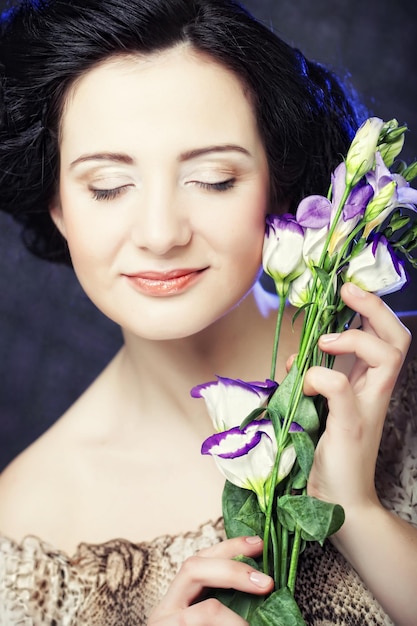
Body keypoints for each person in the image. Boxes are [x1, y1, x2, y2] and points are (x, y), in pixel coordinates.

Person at [0, 0, 416, 624]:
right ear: (57, 204)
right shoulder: (27, 540)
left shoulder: (387, 379)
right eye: (108, 187)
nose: (162, 233)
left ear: (275, 185)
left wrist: (355, 510)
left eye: (215, 178)